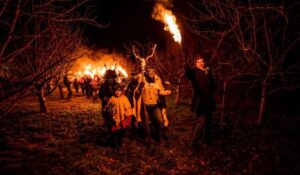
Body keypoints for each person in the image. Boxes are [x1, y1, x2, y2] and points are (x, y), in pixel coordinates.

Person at [184, 55, 216, 147]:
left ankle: (207, 139)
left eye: (202, 61)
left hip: (209, 100)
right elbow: (189, 74)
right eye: (199, 62)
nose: (201, 63)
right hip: (199, 101)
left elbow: (212, 83)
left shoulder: (208, 71)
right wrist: (186, 67)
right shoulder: (194, 71)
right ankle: (194, 141)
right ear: (196, 64)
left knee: (208, 122)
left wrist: (213, 89)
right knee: (201, 122)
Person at [134, 67, 171, 145]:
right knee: (146, 123)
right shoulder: (142, 82)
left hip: (155, 106)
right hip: (145, 107)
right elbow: (136, 95)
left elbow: (161, 92)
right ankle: (147, 138)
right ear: (147, 74)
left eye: (153, 72)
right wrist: (140, 87)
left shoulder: (157, 81)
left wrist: (166, 91)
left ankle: (160, 138)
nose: (151, 74)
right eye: (150, 72)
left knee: (160, 121)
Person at [104, 83, 134, 148]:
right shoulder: (112, 99)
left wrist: (128, 117)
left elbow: (128, 108)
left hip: (122, 118)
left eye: (119, 91)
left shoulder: (124, 98)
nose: (117, 92)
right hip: (114, 118)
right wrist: (110, 115)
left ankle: (120, 143)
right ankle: (116, 144)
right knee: (114, 131)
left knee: (121, 132)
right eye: (116, 91)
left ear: (122, 91)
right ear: (114, 91)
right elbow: (108, 108)